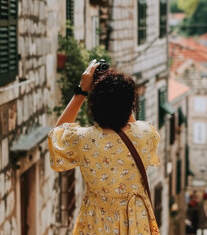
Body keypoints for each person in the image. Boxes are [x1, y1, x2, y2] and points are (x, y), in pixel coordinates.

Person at [48, 59, 161, 234]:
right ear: (130, 104)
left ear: (94, 105)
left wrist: (82, 92)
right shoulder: (146, 134)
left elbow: (57, 136)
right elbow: (129, 122)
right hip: (137, 222)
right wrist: (118, 92)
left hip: (97, 222)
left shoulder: (84, 140)